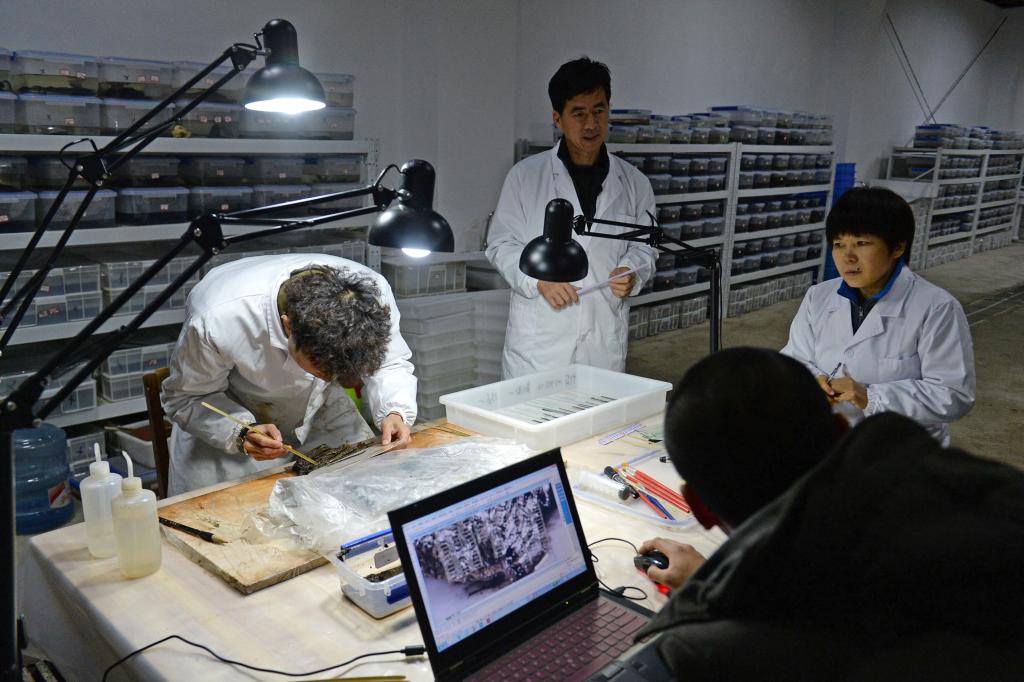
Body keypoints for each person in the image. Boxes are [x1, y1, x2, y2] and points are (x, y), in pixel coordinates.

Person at [636, 348, 1024, 680]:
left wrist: (718, 590)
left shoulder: (714, 652)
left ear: (699, 507)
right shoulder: (980, 490)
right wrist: (723, 580)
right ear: (841, 429)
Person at [162, 254, 416, 496]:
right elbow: (187, 397)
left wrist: (394, 410)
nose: (329, 378)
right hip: (230, 411)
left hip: (321, 406)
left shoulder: (369, 299)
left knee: (365, 492)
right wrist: (239, 432)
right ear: (288, 327)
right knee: (241, 513)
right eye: (320, 369)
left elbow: (390, 362)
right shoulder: (218, 318)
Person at [485, 57, 657, 378]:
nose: (591, 124)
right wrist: (538, 281)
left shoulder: (635, 183)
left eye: (599, 111)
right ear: (558, 118)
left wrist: (632, 271)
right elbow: (500, 245)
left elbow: (645, 247)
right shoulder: (525, 176)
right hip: (540, 344)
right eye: (578, 113)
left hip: (601, 339)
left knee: (599, 409)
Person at [781, 186, 975, 445]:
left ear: (897, 247)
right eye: (839, 244)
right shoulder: (818, 297)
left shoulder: (936, 308)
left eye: (862, 243)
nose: (848, 257)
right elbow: (794, 359)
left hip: (899, 449)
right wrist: (813, 381)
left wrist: (870, 397)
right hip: (830, 439)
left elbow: (952, 394)